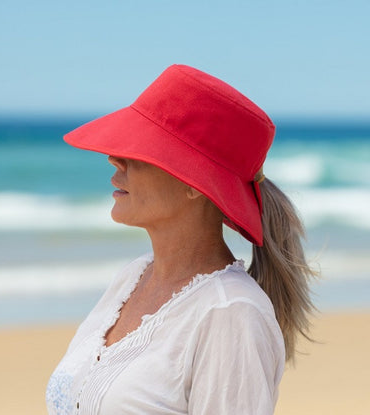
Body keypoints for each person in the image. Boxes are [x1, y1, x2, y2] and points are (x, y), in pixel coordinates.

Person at [46, 64, 316, 415]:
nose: (114, 158)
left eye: (139, 149)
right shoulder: (133, 278)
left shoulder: (230, 314)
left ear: (194, 183)